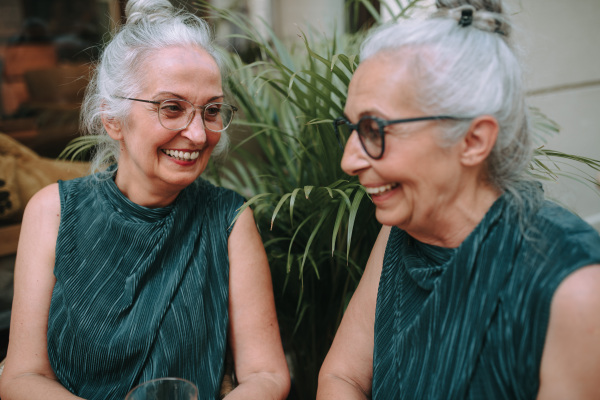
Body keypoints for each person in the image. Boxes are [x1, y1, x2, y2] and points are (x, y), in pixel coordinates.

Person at [0, 0, 290, 399]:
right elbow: (21, 377)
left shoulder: (230, 220)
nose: (198, 134)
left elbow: (266, 375)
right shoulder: (53, 212)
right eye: (171, 108)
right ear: (112, 118)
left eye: (211, 111)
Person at [317, 0, 600, 399]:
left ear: (473, 140)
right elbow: (341, 377)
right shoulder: (402, 229)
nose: (349, 160)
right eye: (350, 128)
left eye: (374, 129)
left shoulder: (575, 288)